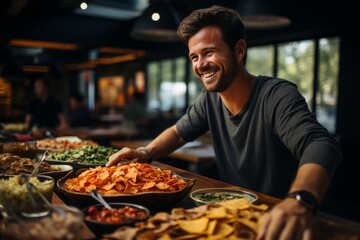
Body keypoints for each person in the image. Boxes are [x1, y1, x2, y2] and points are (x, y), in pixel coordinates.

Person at [107, 5, 341, 240]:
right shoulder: (210, 99)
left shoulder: (276, 95)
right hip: (231, 217)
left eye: (209, 52)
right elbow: (179, 133)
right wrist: (145, 153)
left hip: (281, 222)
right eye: (194, 57)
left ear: (239, 50)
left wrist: (300, 201)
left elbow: (320, 143)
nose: (200, 65)